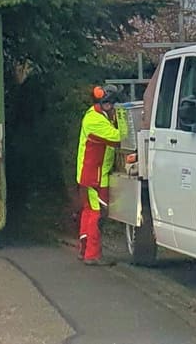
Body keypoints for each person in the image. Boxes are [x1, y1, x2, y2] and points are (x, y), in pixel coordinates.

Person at [76, 85, 125, 264]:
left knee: (89, 211)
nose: (113, 107)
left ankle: (85, 250)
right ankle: (92, 255)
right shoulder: (96, 120)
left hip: (91, 174)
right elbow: (118, 137)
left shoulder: (96, 115)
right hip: (95, 176)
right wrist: (125, 120)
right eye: (111, 104)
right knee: (97, 214)